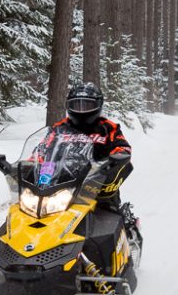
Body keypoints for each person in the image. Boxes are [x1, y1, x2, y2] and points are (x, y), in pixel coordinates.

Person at [51, 81, 132, 210]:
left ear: (98, 105)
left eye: (87, 105)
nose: (81, 110)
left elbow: (123, 147)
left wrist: (112, 162)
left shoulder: (108, 128)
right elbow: (42, 149)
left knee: (108, 214)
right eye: (77, 105)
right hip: (58, 183)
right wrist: (30, 165)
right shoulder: (59, 128)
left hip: (98, 186)